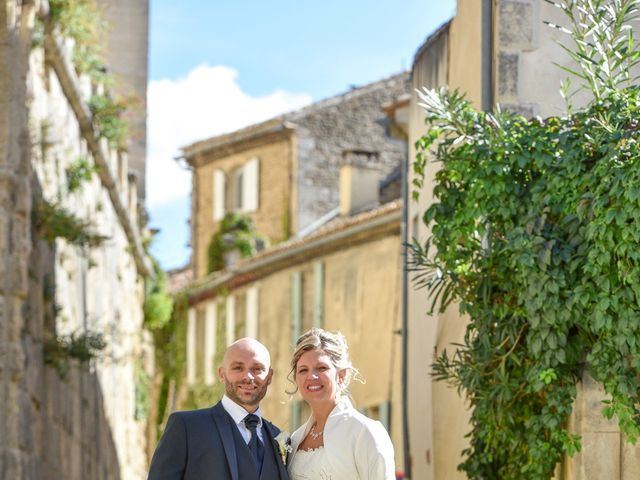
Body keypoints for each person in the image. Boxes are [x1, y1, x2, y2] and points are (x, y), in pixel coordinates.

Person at [147, 337, 289, 480]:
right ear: (222, 374)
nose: (247, 377)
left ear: (269, 376)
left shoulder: (280, 438)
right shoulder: (187, 427)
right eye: (238, 368)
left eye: (257, 369)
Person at [287, 328, 395, 480]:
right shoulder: (296, 438)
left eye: (321, 368)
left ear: (341, 376)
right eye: (303, 370)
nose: (311, 376)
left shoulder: (364, 432)